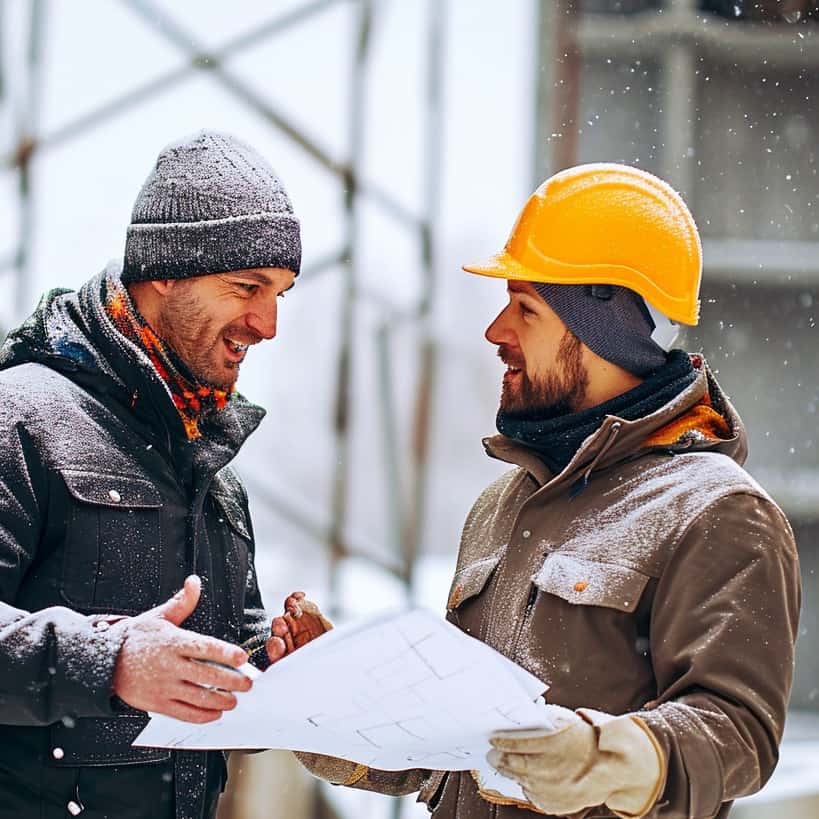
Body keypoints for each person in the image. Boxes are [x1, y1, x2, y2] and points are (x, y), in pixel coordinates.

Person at [296, 163, 802, 818]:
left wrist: (604, 758)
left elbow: (738, 732)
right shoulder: (502, 505)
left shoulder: (717, 512)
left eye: (525, 308)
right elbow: (460, 744)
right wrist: (335, 701)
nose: (495, 331)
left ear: (600, 333)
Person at [0, 130, 325, 819]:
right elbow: (127, 660)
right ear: (165, 272)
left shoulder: (212, 469)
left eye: (281, 293)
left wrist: (277, 670)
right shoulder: (19, 418)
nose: (267, 323)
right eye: (247, 286)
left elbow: (209, 669)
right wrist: (109, 660)